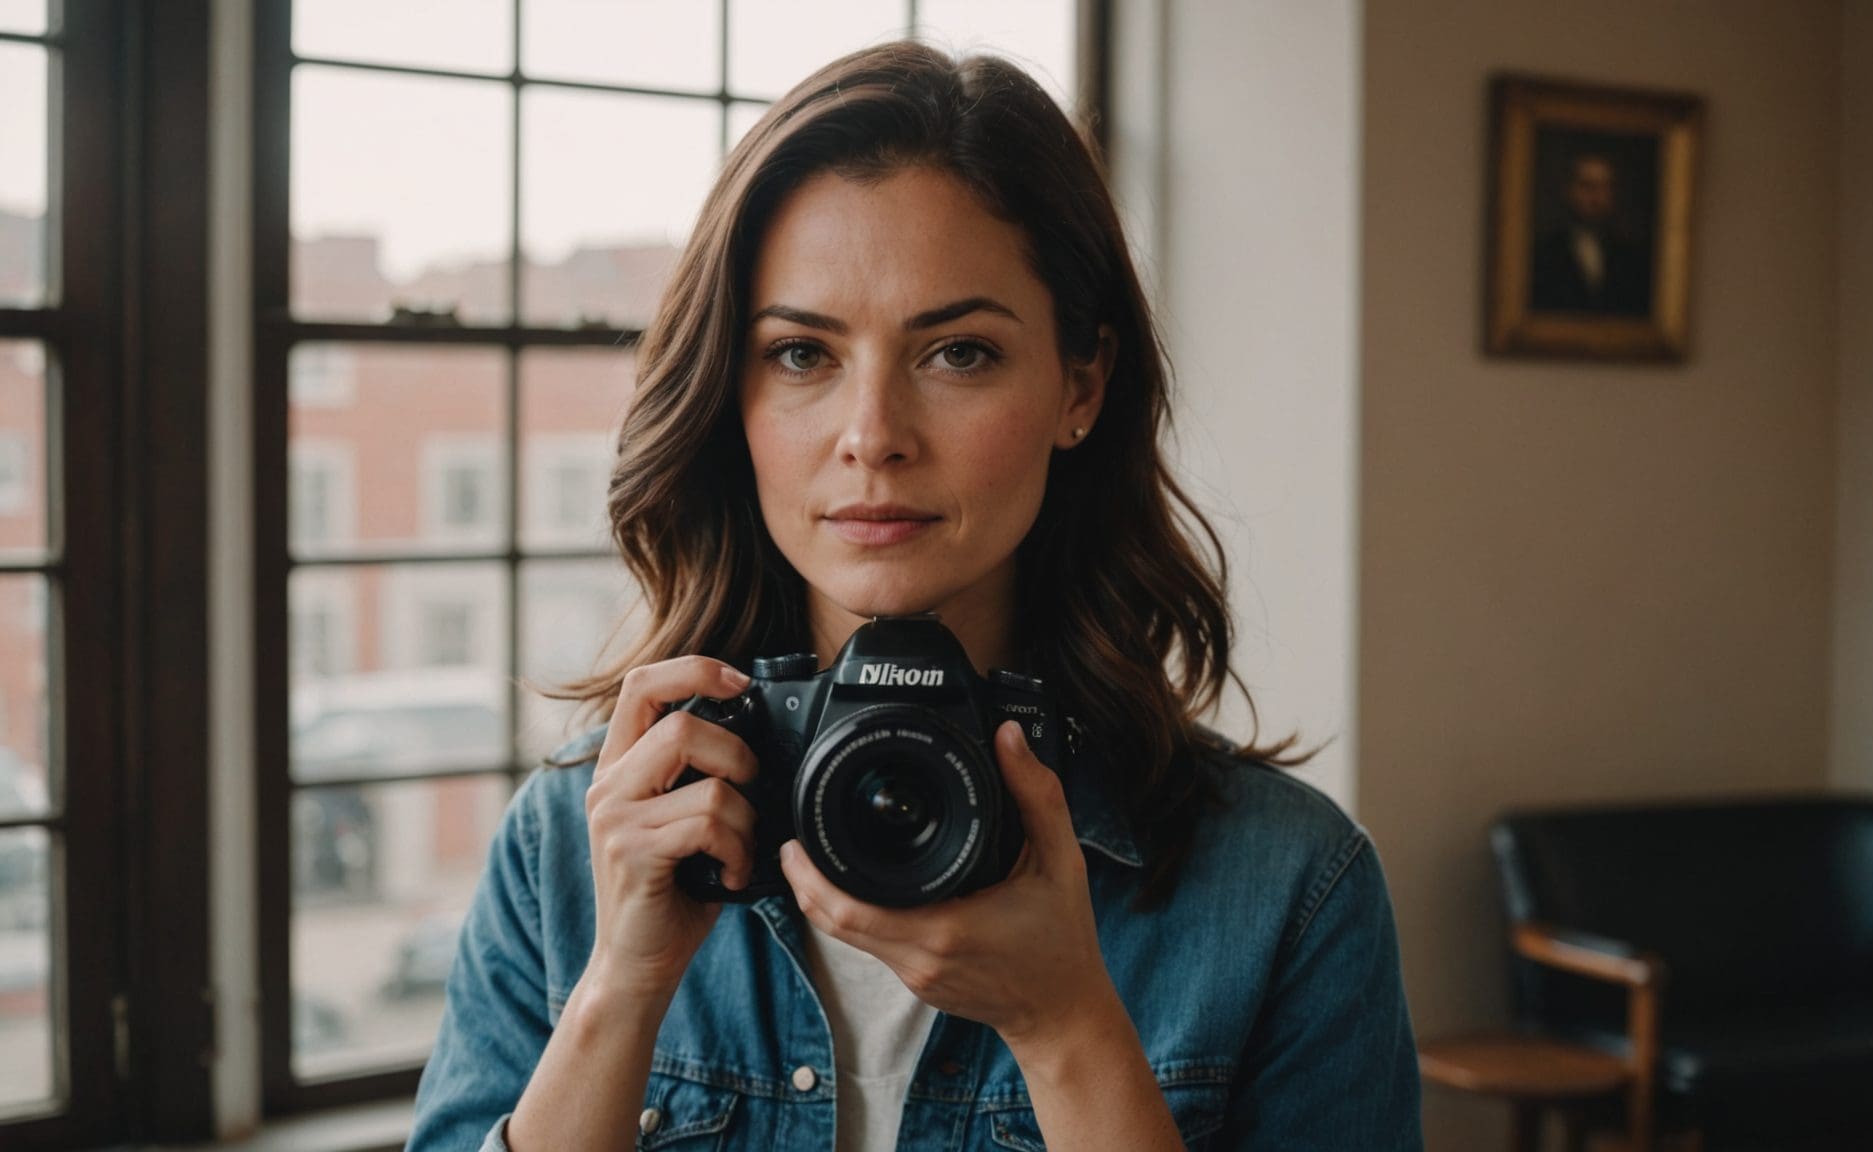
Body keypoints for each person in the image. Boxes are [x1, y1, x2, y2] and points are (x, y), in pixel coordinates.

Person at [407, 40, 1422, 1152]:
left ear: (1079, 385)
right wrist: (620, 993)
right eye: (801, 355)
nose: (873, 437)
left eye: (959, 354)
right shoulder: (573, 843)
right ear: (729, 396)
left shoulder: (1285, 889)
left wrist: (1067, 1029)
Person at [1528, 151, 1654, 316]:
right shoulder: (1544, 252)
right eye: (1587, 186)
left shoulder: (1631, 256)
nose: (1596, 197)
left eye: (1604, 187)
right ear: (1569, 191)